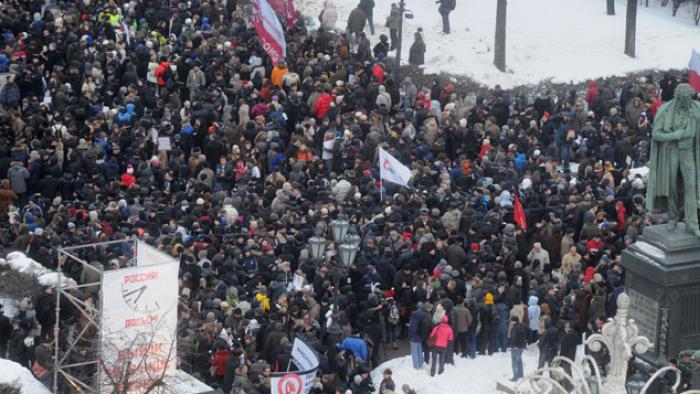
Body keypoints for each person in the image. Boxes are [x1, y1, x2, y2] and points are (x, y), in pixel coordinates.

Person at [508, 316, 528, 381]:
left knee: (514, 362)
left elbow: (513, 338)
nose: (511, 322)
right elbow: (529, 331)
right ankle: (521, 374)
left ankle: (515, 376)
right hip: (521, 346)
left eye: (511, 321)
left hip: (515, 347)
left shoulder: (514, 328)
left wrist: (512, 346)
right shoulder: (522, 326)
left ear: (514, 321)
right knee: (519, 360)